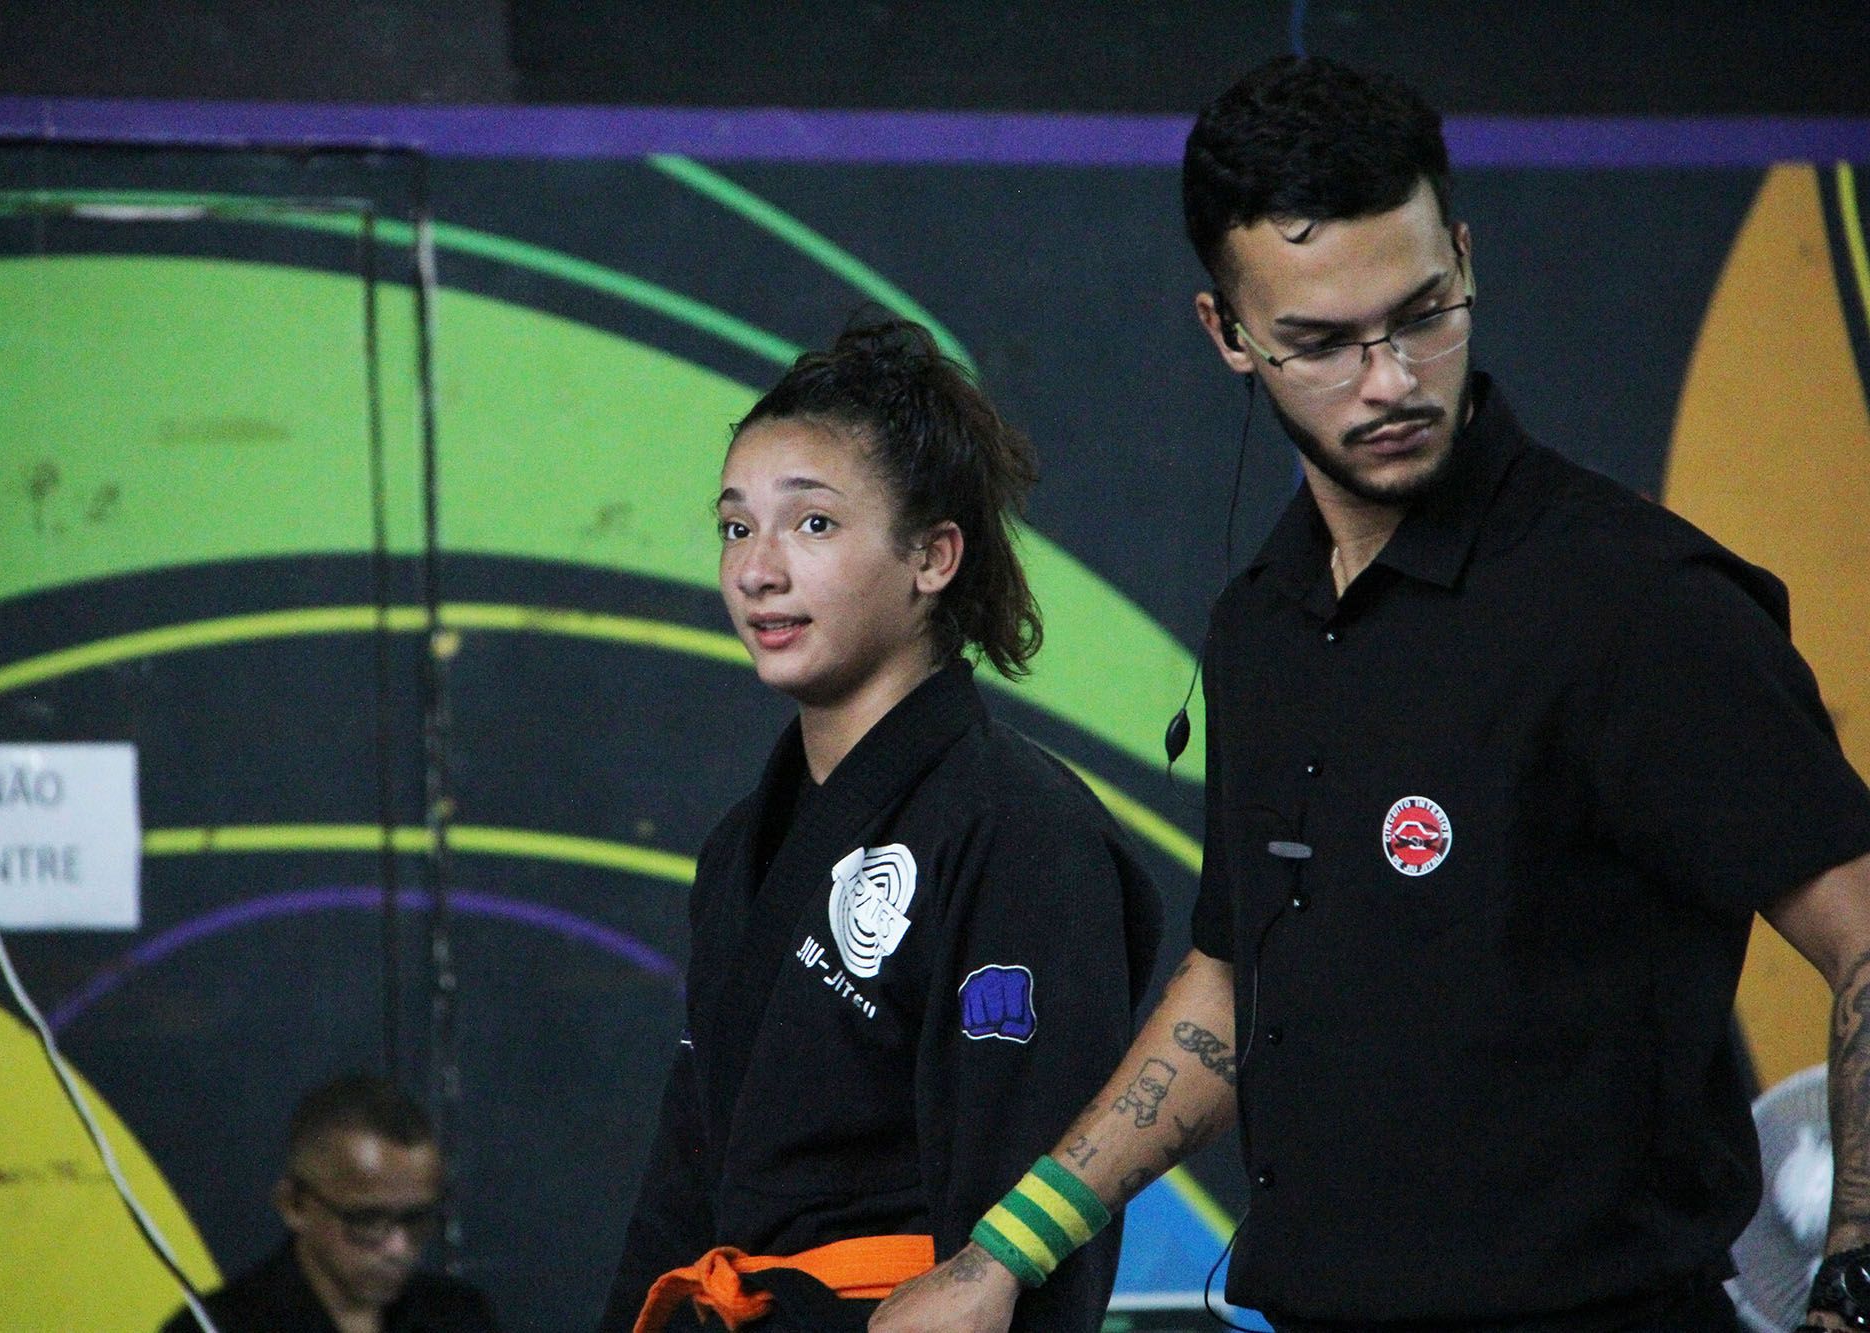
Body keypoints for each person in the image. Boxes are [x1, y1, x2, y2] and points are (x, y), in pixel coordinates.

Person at [869, 54, 1870, 1333]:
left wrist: (1855, 1277)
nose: (1391, 378)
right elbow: (1232, 985)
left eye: (1421, 313)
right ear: (1226, 334)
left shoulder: (1632, 600)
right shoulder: (1260, 622)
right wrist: (1001, 1253)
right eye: (1320, 343)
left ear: (1463, 256)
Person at [597, 320, 1163, 1333]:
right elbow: (684, 1179)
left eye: (812, 523)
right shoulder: (741, 846)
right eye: (735, 528)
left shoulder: (1017, 831)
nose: (757, 571)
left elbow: (1030, 1238)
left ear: (932, 556)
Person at [162, 1075, 495, 1333]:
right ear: (294, 1205)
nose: (398, 1247)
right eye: (367, 1220)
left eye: (416, 1219)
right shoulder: (216, 1327)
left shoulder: (458, 1316)